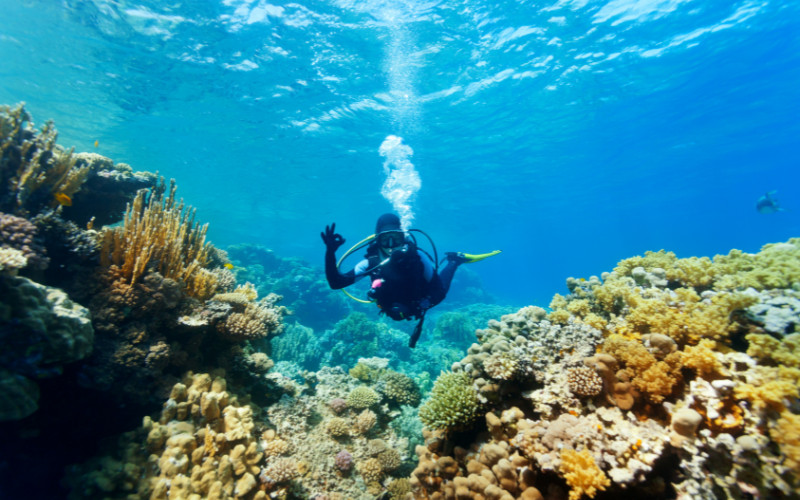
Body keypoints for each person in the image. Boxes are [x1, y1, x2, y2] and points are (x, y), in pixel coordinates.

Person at [321, 213, 499, 348]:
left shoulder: (417, 257)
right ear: (377, 240)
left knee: (444, 286)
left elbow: (438, 290)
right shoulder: (371, 263)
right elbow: (336, 283)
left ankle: (454, 260)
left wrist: (424, 304)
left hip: (418, 300)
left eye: (395, 239)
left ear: (403, 237)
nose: (391, 245)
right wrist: (330, 252)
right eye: (385, 239)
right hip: (391, 306)